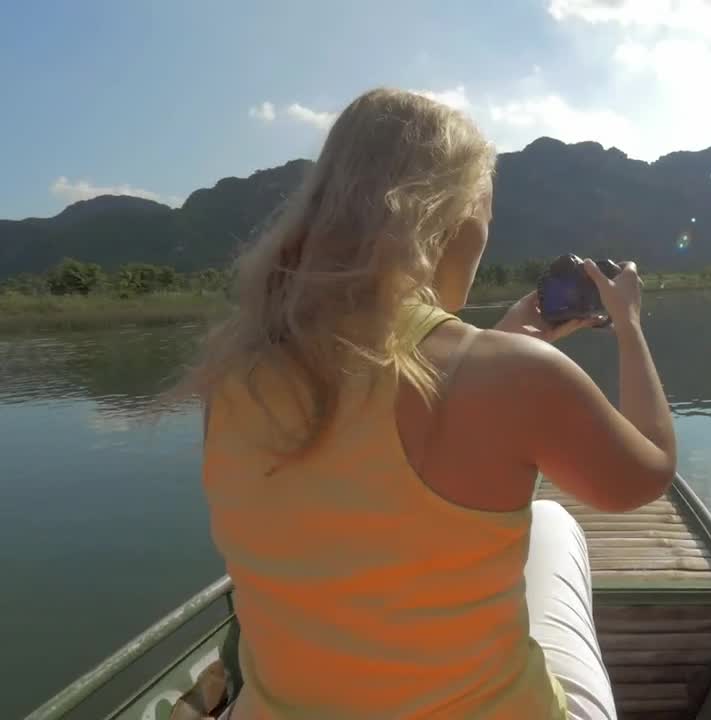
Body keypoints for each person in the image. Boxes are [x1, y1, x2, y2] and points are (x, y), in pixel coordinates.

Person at [178, 87, 677, 719]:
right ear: (457, 216)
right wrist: (628, 324)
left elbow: (358, 468)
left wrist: (493, 347)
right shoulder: (517, 378)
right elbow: (649, 472)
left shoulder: (232, 375)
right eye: (485, 215)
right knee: (555, 524)